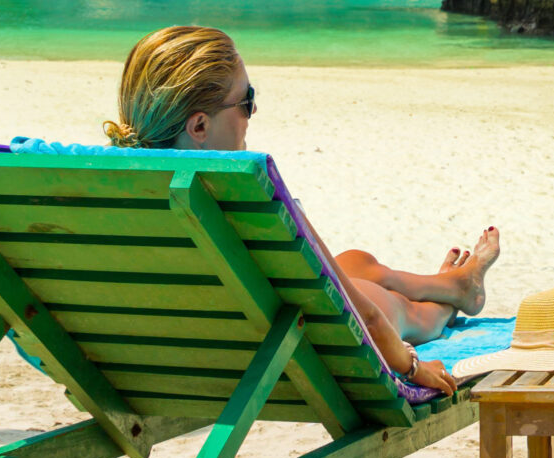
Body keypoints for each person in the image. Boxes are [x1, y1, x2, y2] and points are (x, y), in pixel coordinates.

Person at [106, 24, 495, 394]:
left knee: (354, 263)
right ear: (199, 126)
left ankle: (454, 284)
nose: (252, 112)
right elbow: (369, 320)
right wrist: (414, 369)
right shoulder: (248, 197)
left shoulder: (102, 194)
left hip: (173, 354)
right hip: (281, 351)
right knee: (399, 309)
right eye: (246, 101)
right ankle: (448, 302)